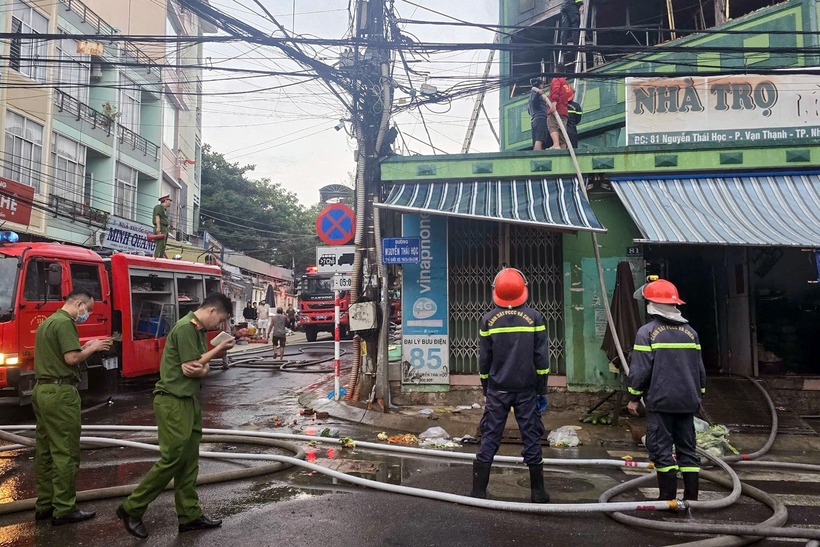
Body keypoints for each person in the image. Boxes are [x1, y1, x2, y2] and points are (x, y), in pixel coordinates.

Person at [116, 293, 235, 539]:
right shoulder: (185, 329)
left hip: (188, 400)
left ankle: (189, 515)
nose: (219, 325)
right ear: (212, 311)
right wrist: (218, 351)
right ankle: (132, 508)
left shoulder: (198, 331)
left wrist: (203, 364)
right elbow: (194, 367)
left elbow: (200, 368)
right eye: (220, 319)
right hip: (173, 401)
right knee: (172, 459)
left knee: (189, 460)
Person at [470, 268, 550, 503]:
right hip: (527, 389)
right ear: (523, 289)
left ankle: (478, 492)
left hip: (498, 389)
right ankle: (538, 493)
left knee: (490, 435)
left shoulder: (487, 320)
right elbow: (542, 360)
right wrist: (541, 390)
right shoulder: (536, 318)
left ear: (496, 291)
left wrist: (486, 387)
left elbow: (484, 360)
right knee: (531, 436)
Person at [33, 289, 112, 525]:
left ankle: (45, 505)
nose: (86, 314)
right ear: (78, 304)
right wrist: (94, 347)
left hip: (42, 390)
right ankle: (65, 508)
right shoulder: (66, 323)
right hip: (61, 393)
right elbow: (72, 359)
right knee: (65, 452)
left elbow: (60, 353)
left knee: (45, 451)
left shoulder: (48, 323)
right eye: (87, 310)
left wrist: (83, 346)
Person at [627, 279, 706, 502]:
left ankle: (667, 501)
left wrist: (633, 397)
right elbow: (699, 369)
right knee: (688, 451)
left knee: (661, 451)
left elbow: (640, 370)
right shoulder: (691, 333)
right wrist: (698, 394)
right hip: (688, 402)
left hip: (661, 402)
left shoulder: (648, 332)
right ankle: (691, 500)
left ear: (651, 304)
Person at [548, 77, 575, 150]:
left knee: (552, 125)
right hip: (564, 110)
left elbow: (555, 91)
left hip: (557, 108)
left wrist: (553, 104)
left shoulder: (556, 80)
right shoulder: (566, 83)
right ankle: (563, 146)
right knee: (562, 128)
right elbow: (571, 93)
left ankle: (556, 144)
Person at [560, 0, 584, 69]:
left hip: (563, 5)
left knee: (565, 27)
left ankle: (563, 47)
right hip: (571, 4)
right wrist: (581, 4)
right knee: (575, 23)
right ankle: (576, 45)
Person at [528, 78, 551, 151]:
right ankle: (538, 154)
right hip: (540, 118)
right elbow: (534, 103)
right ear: (540, 85)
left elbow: (529, 110)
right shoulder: (535, 94)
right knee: (539, 139)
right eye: (543, 84)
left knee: (539, 139)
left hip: (535, 119)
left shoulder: (531, 95)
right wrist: (538, 94)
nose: (544, 86)